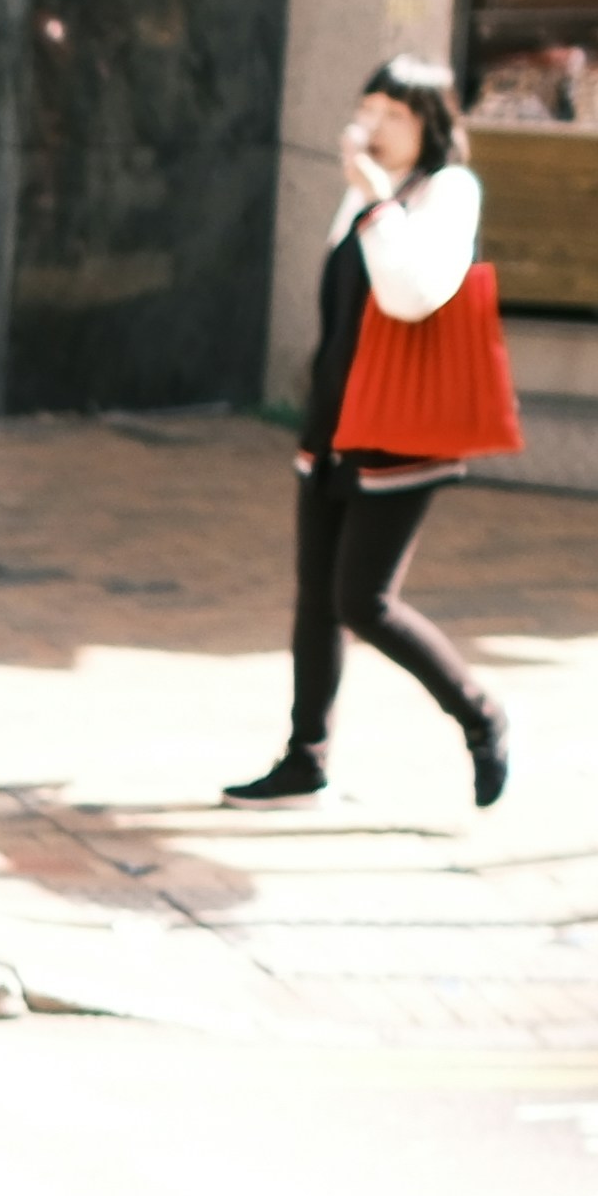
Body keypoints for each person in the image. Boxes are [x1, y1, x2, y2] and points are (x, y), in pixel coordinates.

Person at [234, 63, 516, 809]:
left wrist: (377, 199)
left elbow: (413, 295)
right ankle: (306, 757)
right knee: (314, 598)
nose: (375, 123)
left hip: (402, 431)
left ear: (428, 120)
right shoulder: (367, 192)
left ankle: (480, 716)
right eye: (368, 106)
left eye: (394, 110)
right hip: (334, 417)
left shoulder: (448, 191)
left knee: (364, 599)